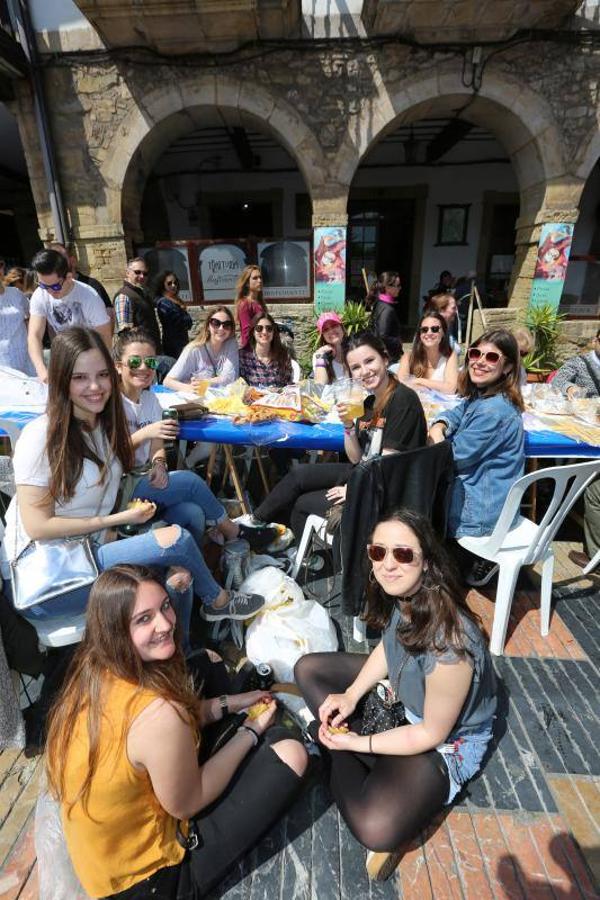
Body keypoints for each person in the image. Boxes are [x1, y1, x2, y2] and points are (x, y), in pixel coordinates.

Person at [45, 564, 307, 899]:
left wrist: (233, 702)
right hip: (149, 882)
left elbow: (176, 720)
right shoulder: (158, 716)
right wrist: (251, 729)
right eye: (144, 619)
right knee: (290, 753)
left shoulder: (93, 673)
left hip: (105, 860)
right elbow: (187, 803)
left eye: (165, 606)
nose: (166, 623)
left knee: (207, 665)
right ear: (115, 631)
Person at [0, 327, 265, 636]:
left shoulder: (98, 426)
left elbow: (115, 484)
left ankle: (183, 650)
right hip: (53, 580)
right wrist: (116, 520)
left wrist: (153, 470)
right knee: (176, 542)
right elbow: (38, 527)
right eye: (80, 377)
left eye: (101, 375)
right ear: (60, 379)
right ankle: (217, 603)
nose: (96, 386)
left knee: (182, 544)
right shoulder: (39, 437)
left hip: (94, 547)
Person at [295, 509, 496, 882]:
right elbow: (389, 648)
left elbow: (430, 734)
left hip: (444, 741)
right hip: (405, 698)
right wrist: (352, 695)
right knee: (308, 669)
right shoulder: (406, 595)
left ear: (427, 562)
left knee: (376, 828)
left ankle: (332, 751)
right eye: (378, 552)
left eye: (402, 554)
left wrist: (356, 742)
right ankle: (366, 760)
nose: (388, 564)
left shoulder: (451, 644)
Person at [114, 326, 277, 552]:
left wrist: (160, 465)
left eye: (150, 362)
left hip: (145, 478)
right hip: (121, 486)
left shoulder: (151, 399)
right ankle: (234, 532)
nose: (143, 368)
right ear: (118, 366)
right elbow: (110, 454)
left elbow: (157, 446)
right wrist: (146, 432)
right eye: (134, 362)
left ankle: (197, 560)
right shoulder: (111, 403)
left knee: (194, 513)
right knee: (190, 481)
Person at [252, 332, 427, 540]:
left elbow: (387, 468)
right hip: (364, 471)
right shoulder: (369, 403)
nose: (364, 371)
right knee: (297, 475)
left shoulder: (402, 400)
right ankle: (255, 522)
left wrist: (352, 490)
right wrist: (348, 426)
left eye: (370, 361)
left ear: (385, 359)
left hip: (386, 491)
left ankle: (313, 561)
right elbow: (355, 457)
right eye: (356, 367)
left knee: (301, 504)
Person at [429, 328, 525, 586]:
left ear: (507, 368)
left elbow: (453, 458)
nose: (480, 361)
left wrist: (438, 441)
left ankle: (473, 561)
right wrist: (440, 424)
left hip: (478, 514)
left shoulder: (494, 410)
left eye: (492, 357)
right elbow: (458, 412)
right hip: (483, 499)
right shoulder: (483, 397)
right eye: (475, 353)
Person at [552, 328, 600, 568]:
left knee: (594, 487)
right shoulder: (579, 363)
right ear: (595, 341)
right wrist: (570, 389)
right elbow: (559, 380)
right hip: (583, 424)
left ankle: (594, 555)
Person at [27, 249, 112, 382]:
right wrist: (41, 370)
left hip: (92, 357)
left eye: (55, 287)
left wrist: (98, 370)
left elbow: (105, 339)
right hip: (64, 359)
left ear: (68, 277)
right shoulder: (39, 295)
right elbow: (34, 335)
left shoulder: (89, 296)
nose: (49, 292)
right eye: (44, 285)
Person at [163, 306, 239, 392]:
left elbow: (230, 378)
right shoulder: (194, 349)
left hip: (221, 400)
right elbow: (168, 381)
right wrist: (189, 388)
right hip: (196, 400)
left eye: (227, 324)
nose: (221, 328)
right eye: (216, 323)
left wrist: (203, 382)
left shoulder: (231, 344)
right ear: (208, 326)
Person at [397, 312, 458, 394]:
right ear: (420, 334)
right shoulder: (408, 357)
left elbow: (450, 389)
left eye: (435, 329)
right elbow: (401, 383)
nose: (429, 333)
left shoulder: (450, 356)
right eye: (424, 330)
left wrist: (419, 381)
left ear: (443, 332)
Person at [113, 257, 162, 352]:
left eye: (145, 273)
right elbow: (125, 333)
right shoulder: (124, 296)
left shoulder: (141, 293)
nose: (142, 276)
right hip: (139, 354)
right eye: (137, 272)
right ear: (127, 273)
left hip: (151, 350)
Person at [48, 241, 112, 309]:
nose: (55, 267)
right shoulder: (45, 292)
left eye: (60, 261)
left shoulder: (92, 287)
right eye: (50, 263)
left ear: (73, 261)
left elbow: (107, 315)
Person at [239, 312, 293, 388]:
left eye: (269, 328)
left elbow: (289, 386)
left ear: (274, 332)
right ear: (253, 332)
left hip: (278, 399)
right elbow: (238, 387)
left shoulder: (283, 356)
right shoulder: (243, 357)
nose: (264, 332)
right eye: (259, 328)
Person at [0, 277, 36, 375]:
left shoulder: (15, 293)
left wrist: (33, 339)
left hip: (26, 355)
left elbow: (32, 314)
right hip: (3, 361)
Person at [154, 270, 193, 359]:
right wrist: (184, 315)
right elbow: (181, 322)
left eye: (175, 283)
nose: (173, 286)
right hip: (173, 344)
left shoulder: (176, 300)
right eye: (169, 283)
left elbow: (188, 323)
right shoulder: (164, 302)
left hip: (181, 341)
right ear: (163, 285)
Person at [366, 272, 403, 361]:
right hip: (388, 357)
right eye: (397, 285)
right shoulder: (387, 308)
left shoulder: (379, 303)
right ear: (387, 287)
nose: (400, 288)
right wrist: (398, 342)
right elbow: (382, 335)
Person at [235, 265, 267, 348]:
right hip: (251, 350)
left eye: (260, 277)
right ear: (247, 283)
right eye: (255, 278)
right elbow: (246, 334)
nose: (259, 281)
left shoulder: (260, 302)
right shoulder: (244, 304)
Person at [312, 310, 347, 385]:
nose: (331, 331)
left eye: (334, 325)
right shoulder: (319, 356)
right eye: (326, 329)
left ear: (342, 328)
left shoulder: (354, 350)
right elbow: (320, 385)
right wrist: (320, 355)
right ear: (323, 336)